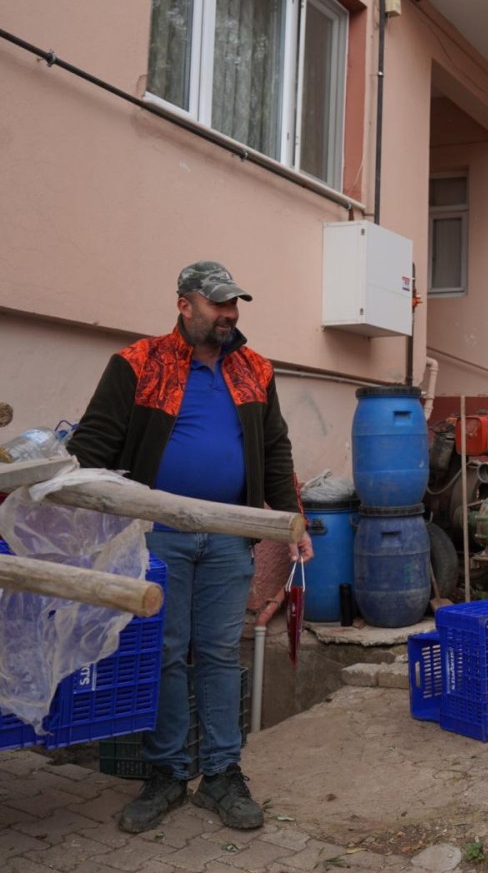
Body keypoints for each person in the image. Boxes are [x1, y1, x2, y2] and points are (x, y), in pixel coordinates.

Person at [67, 261, 313, 834]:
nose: (229, 314)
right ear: (185, 305)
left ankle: (223, 775)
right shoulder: (137, 364)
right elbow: (93, 445)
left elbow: (275, 449)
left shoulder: (255, 369)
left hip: (229, 538)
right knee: (166, 654)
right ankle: (167, 775)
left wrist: (291, 521)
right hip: (159, 538)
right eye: (218, 304)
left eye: (234, 305)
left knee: (221, 654)